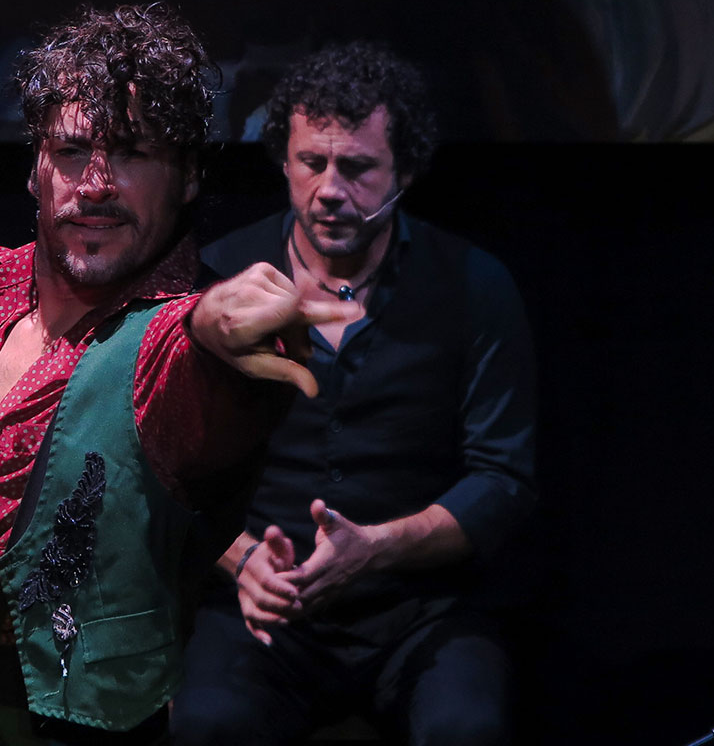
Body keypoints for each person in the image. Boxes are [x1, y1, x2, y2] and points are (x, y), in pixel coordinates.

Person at [0, 3, 357, 744]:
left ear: (185, 178)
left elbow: (194, 372)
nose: (97, 182)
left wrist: (214, 329)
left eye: (133, 153)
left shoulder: (173, 339)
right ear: (36, 169)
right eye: (75, 149)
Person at [170, 41, 537, 746]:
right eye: (312, 163)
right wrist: (241, 558)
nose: (330, 189)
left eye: (358, 168)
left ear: (404, 170)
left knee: (466, 727)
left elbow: (504, 479)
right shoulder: (218, 280)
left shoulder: (473, 285)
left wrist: (377, 546)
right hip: (261, 609)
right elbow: (159, 465)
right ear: (284, 160)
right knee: (211, 724)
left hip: (421, 611)